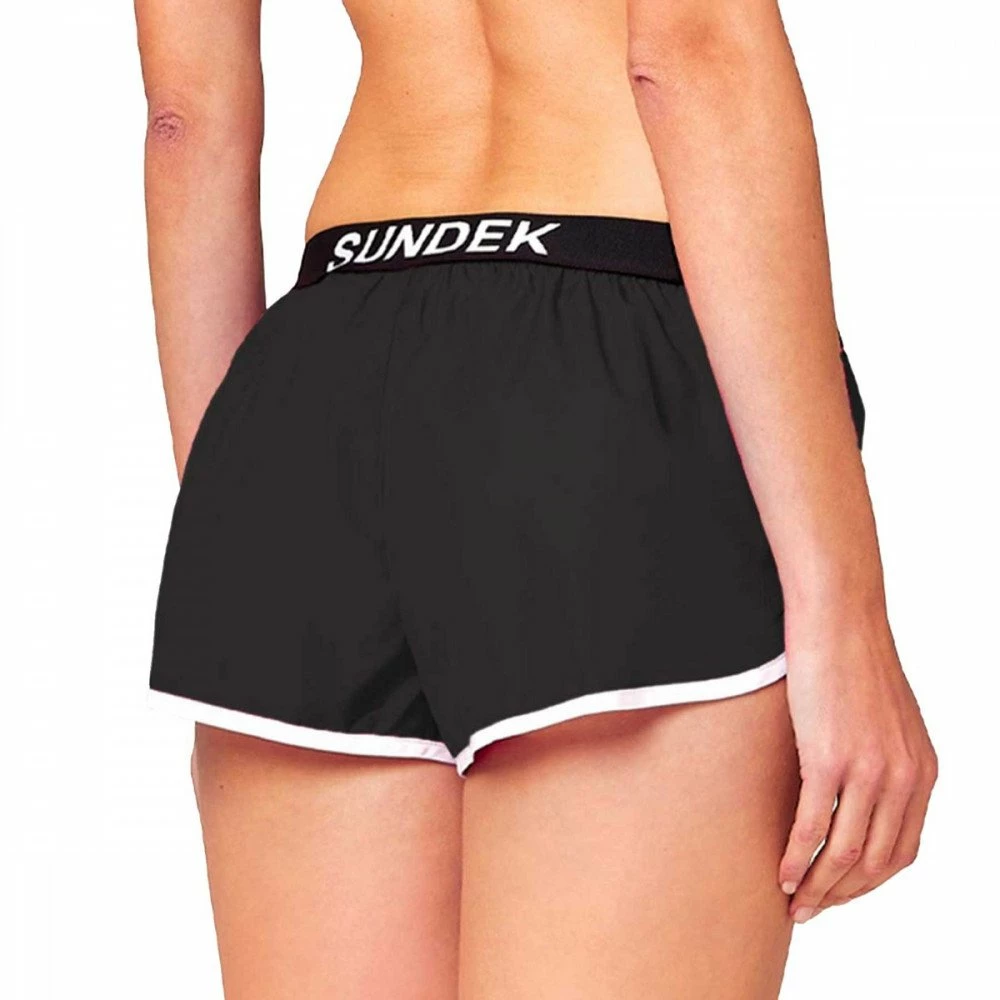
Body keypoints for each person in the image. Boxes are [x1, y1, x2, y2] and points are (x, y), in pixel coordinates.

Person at [136, 0, 937, 996]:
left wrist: (248, 518)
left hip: (314, 378)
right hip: (604, 369)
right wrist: (844, 612)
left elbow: (185, 123)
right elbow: (693, 50)